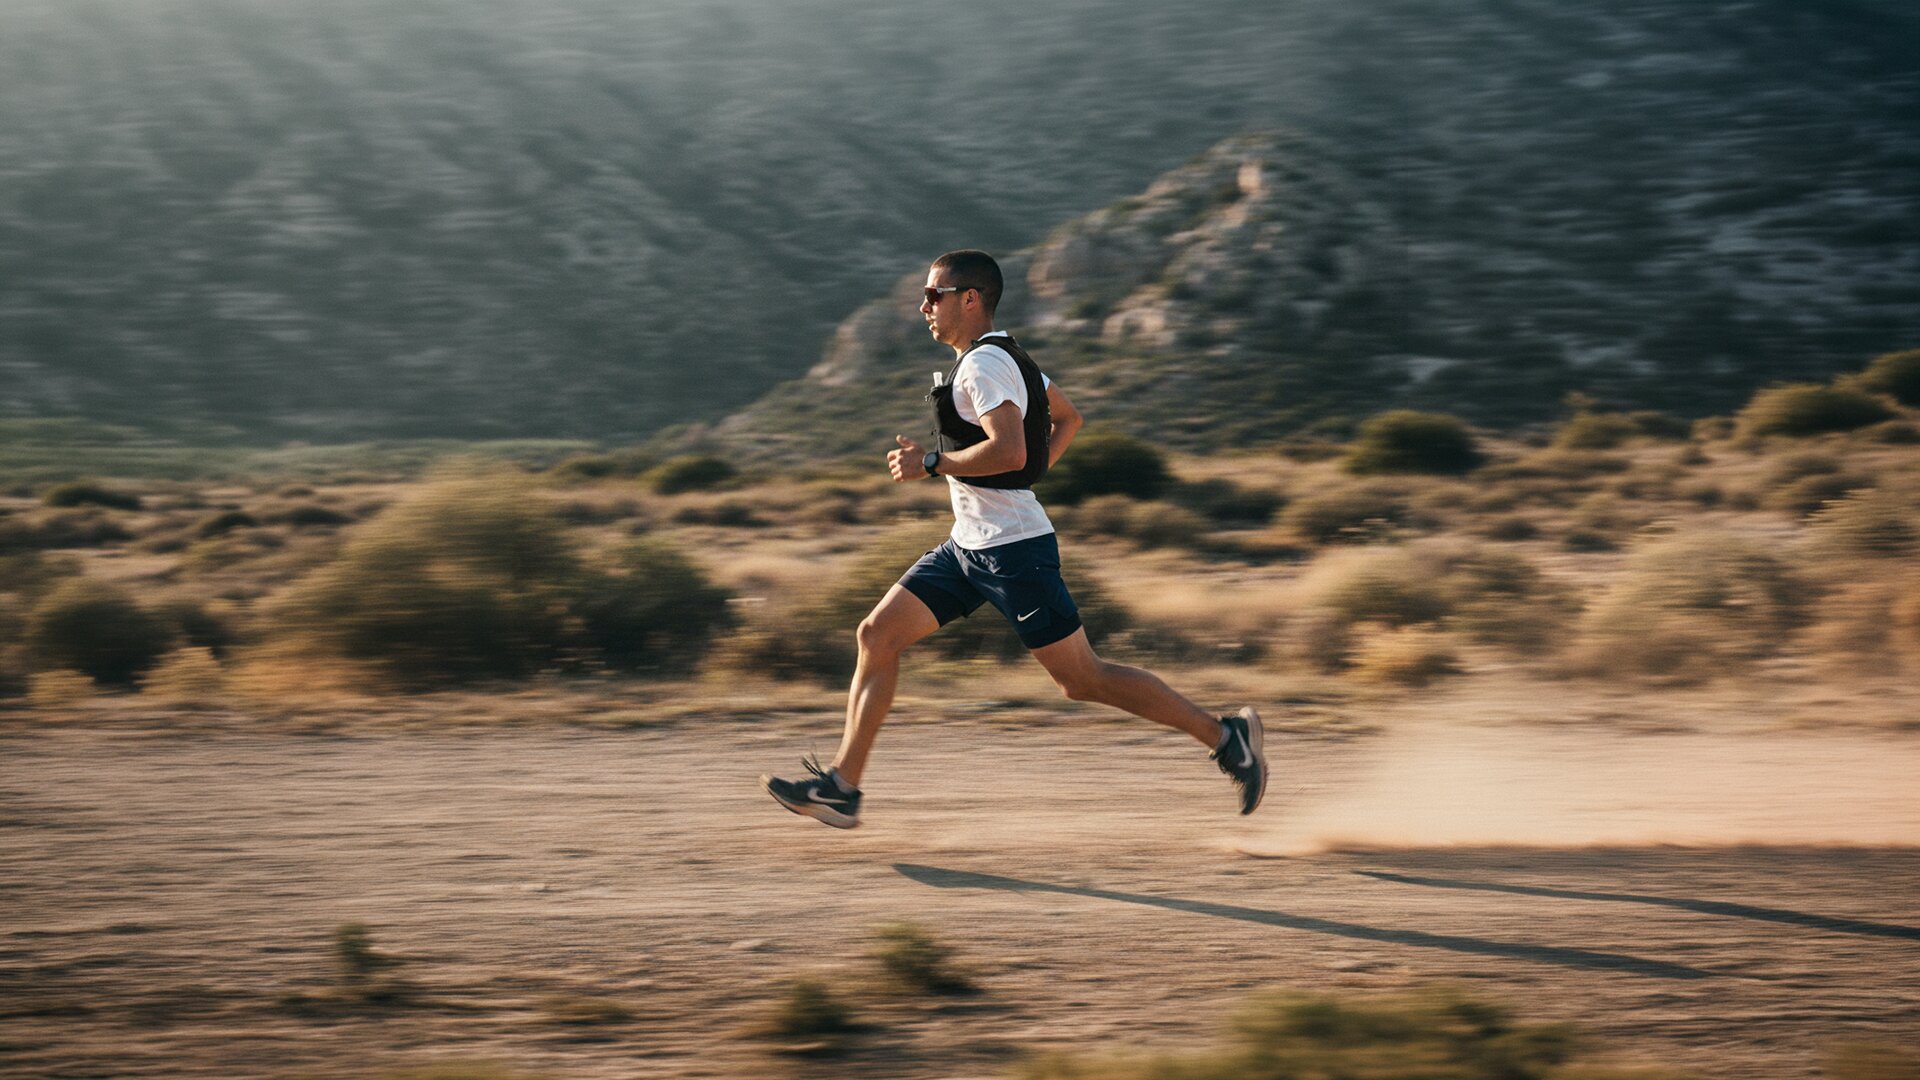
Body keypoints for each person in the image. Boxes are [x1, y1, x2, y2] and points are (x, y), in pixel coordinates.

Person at [761, 249, 1266, 828]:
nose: (924, 305)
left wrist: (934, 462)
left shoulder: (984, 365)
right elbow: (1068, 418)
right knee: (877, 634)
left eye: (935, 294)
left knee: (1083, 680)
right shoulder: (1009, 356)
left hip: (1013, 551)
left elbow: (1009, 448)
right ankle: (842, 787)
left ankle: (1227, 737)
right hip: (969, 546)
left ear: (969, 299)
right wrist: (1027, 473)